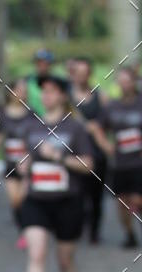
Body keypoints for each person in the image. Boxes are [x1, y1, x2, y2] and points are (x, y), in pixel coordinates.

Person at [18, 75, 94, 272]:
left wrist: (59, 156)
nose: (46, 96)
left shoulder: (75, 128)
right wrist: (24, 167)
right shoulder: (31, 126)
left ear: (62, 95)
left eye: (51, 91)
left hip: (67, 201)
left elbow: (88, 165)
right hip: (37, 200)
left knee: (65, 261)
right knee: (36, 252)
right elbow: (25, 161)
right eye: (43, 92)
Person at [90, 66, 142, 248]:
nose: (125, 84)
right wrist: (106, 145)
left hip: (139, 163)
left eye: (128, 81)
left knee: (137, 199)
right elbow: (97, 128)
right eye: (122, 81)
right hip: (120, 164)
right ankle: (129, 235)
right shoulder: (112, 106)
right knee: (122, 203)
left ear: (135, 82)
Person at [69, 57, 107, 243]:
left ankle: (94, 231)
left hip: (97, 155)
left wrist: (97, 129)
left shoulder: (101, 96)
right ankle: (76, 227)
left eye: (85, 73)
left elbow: (108, 123)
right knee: (76, 195)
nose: (81, 77)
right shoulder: (66, 98)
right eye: (78, 73)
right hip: (74, 155)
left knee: (96, 198)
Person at [0, 78, 36, 248]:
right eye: (19, 89)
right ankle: (23, 229)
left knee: (25, 198)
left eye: (25, 90)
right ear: (10, 92)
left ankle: (28, 232)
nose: (23, 93)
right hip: (10, 164)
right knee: (15, 200)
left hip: (28, 164)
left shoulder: (32, 113)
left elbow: (39, 136)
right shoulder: (2, 114)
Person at [26, 49, 55, 117]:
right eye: (39, 63)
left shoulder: (57, 82)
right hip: (32, 121)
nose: (42, 66)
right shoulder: (27, 81)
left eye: (45, 63)